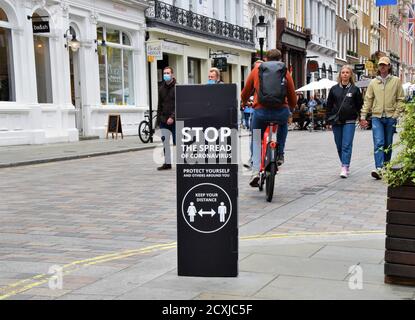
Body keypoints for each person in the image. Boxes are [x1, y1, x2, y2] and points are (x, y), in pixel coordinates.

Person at [241, 49, 296, 187]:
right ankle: (280, 153)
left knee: (256, 138)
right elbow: (292, 93)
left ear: (266, 58)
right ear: (280, 58)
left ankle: (255, 172)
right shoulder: (285, 71)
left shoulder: (257, 70)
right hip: (280, 111)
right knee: (283, 125)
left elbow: (246, 91)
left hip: (261, 111)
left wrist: (243, 103)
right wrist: (291, 109)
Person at [359, 56, 405, 180]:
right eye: (380, 65)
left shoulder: (396, 81)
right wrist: (363, 116)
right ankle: (379, 168)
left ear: (389, 66)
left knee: (388, 144)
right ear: (378, 67)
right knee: (379, 142)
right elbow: (368, 100)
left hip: (390, 117)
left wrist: (396, 115)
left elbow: (401, 99)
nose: (382, 67)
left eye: (385, 65)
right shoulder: (373, 82)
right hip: (377, 117)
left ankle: (385, 166)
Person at [326, 65, 363, 178]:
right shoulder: (334, 89)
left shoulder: (355, 90)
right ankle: (344, 163)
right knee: (339, 145)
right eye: (343, 72)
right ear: (340, 75)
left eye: (347, 72)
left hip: (350, 121)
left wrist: (361, 118)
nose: (345, 74)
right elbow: (329, 106)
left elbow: (359, 105)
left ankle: (345, 166)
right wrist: (327, 120)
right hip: (336, 121)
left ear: (351, 75)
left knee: (346, 144)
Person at [156, 66, 176, 171]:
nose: (166, 75)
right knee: (165, 143)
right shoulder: (161, 88)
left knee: (177, 142)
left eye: (168, 73)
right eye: (164, 73)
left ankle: (181, 163)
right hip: (164, 120)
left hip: (175, 121)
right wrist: (158, 121)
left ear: (172, 74)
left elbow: (179, 104)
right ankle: (167, 163)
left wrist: (173, 117)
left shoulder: (177, 87)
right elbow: (159, 105)